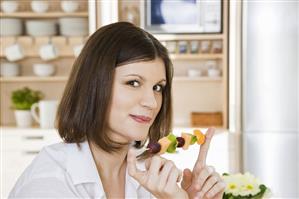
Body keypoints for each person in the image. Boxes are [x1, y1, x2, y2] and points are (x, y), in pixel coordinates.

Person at [9, 22, 225, 199]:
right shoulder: (48, 181)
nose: (151, 102)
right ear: (94, 85)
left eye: (158, 87)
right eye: (133, 83)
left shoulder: (144, 175)